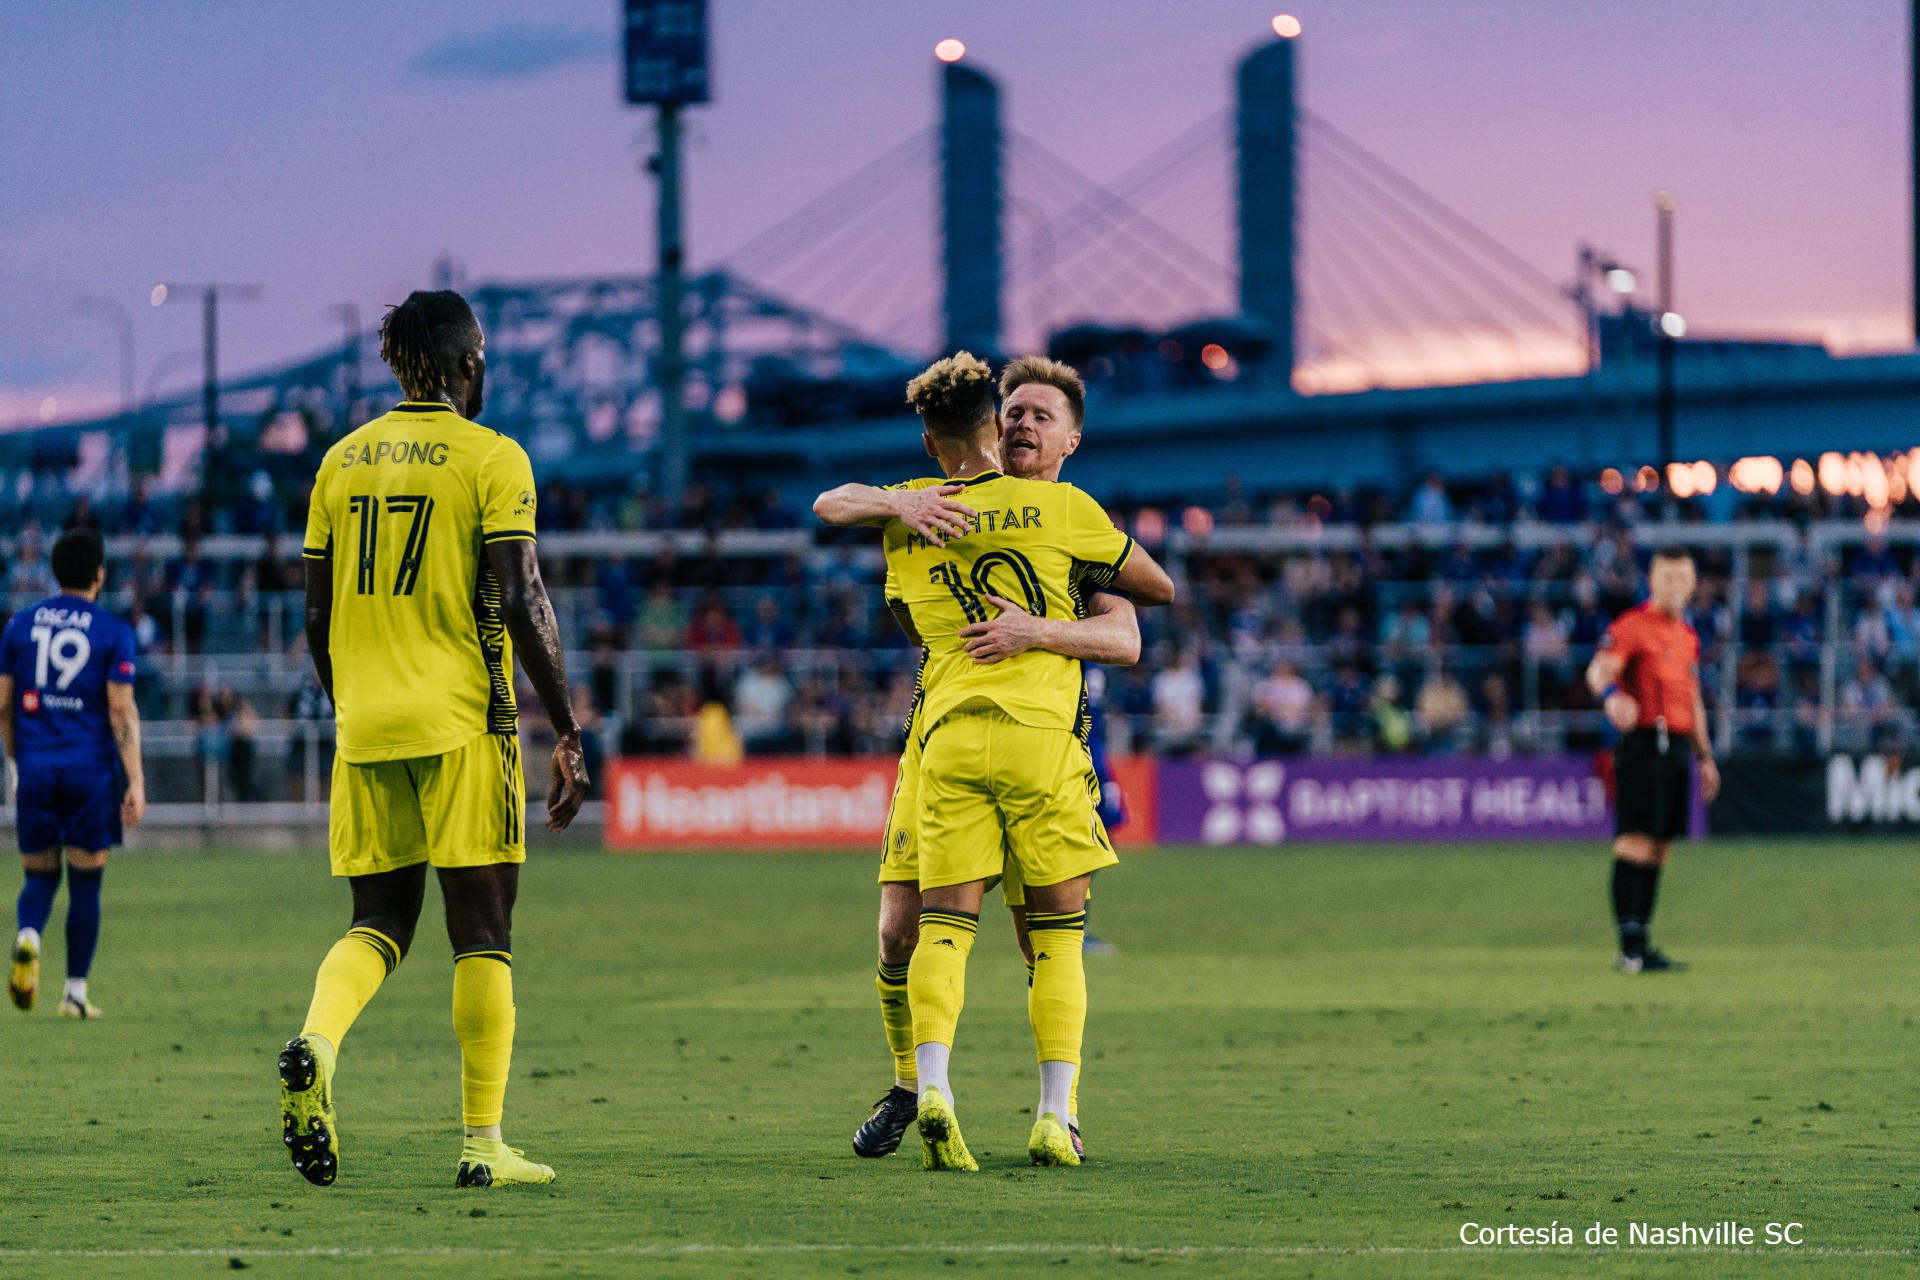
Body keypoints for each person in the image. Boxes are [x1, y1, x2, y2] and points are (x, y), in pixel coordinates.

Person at [814, 354, 1168, 1164]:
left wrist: (1040, 625)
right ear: (990, 423)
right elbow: (843, 508)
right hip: (948, 731)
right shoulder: (927, 507)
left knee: (984, 928)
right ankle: (918, 1088)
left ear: (1071, 440)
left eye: (1043, 417)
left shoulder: (1069, 519)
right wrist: (901, 502)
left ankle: (1012, 1102)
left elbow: (1133, 628)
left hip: (997, 734)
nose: (1023, 424)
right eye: (1014, 412)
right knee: (901, 932)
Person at [282, 290, 589, 1190]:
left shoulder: (339, 463)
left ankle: (315, 1042)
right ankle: (483, 1143)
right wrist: (566, 727)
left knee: (377, 921)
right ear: (466, 364)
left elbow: (314, 613)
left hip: (366, 725)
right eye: (481, 355)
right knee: (482, 934)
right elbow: (525, 598)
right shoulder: (491, 458)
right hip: (463, 722)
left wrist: (353, 702)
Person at [2, 528, 146, 1018]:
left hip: (37, 768)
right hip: (89, 773)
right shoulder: (111, 631)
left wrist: (18, 758)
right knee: (86, 883)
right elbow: (121, 712)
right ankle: (75, 993)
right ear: (99, 574)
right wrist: (136, 782)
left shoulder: (19, 626)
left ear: (54, 573)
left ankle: (27, 936)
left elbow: (2, 704)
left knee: (38, 876)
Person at [1585, 547, 1720, 974]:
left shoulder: (1687, 636)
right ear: (1652, 580)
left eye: (1684, 578)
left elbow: (1693, 698)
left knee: (1660, 847)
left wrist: (1705, 755)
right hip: (1644, 742)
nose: (1676, 586)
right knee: (1635, 841)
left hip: (1677, 746)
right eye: (1668, 577)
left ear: (1694, 583)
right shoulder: (1632, 626)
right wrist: (1612, 697)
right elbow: (1598, 670)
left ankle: (1642, 944)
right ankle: (1629, 949)